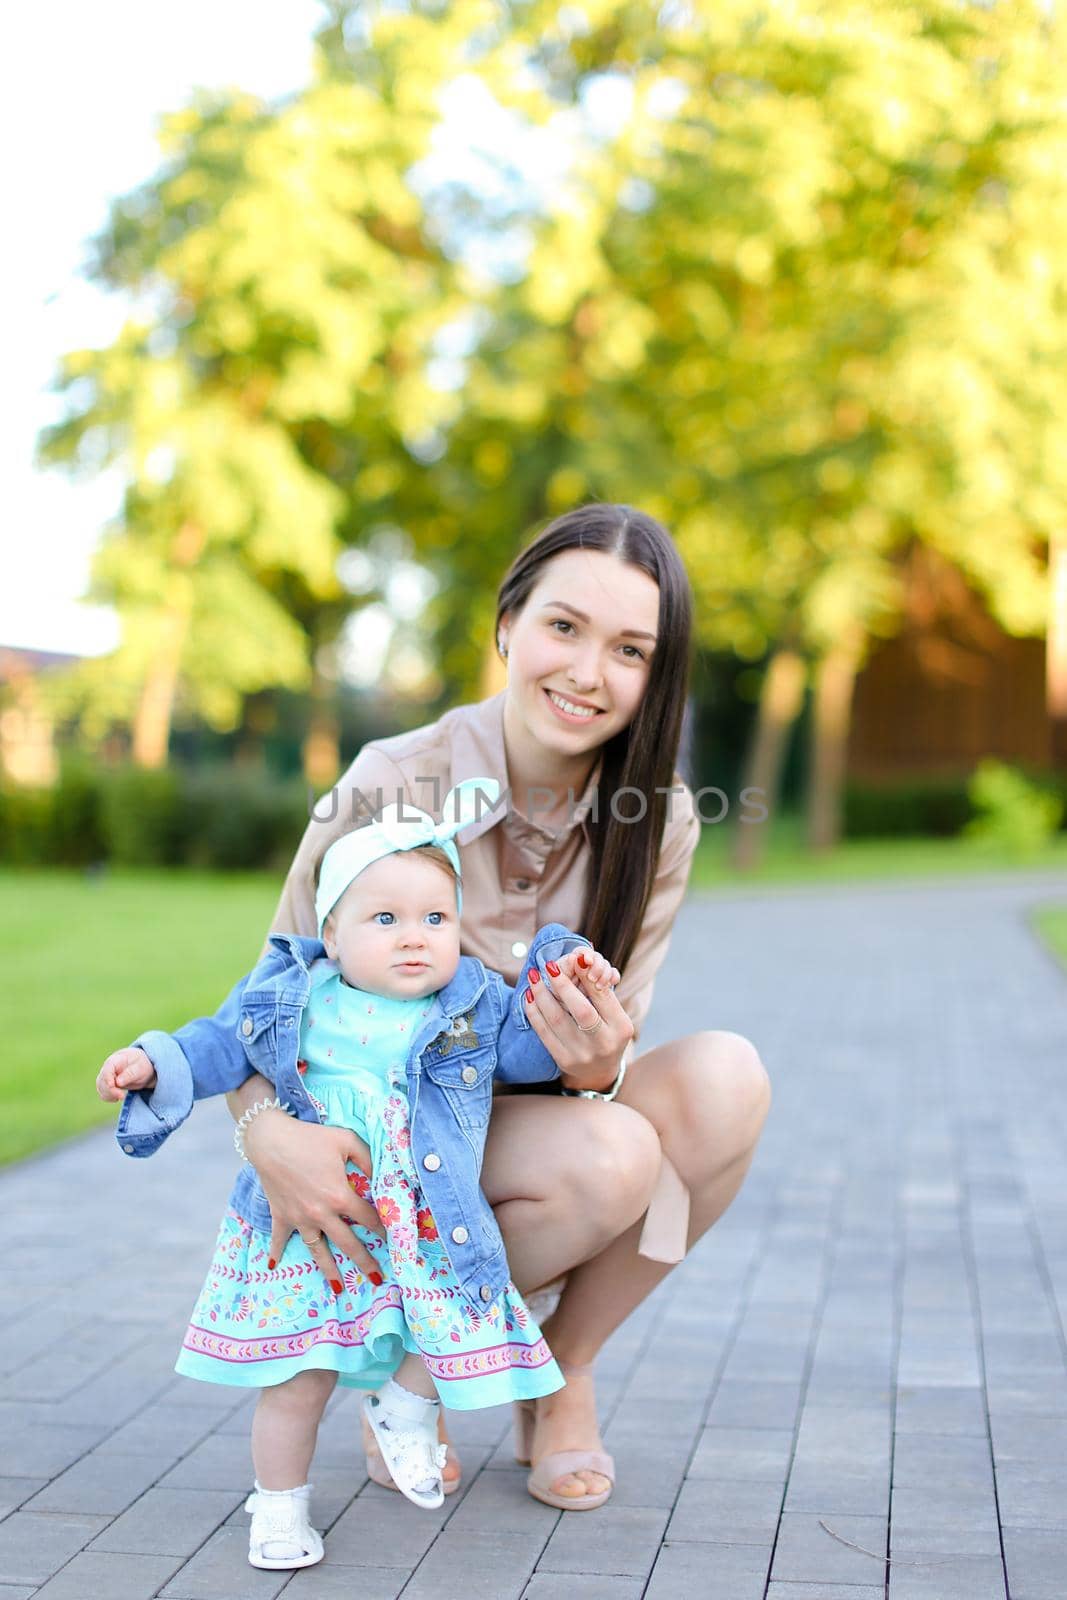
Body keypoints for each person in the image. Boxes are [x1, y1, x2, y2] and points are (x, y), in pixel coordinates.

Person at [227, 502, 772, 1511]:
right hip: (375, 1147)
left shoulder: (658, 823)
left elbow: (602, 1074)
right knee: (610, 1159)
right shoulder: (391, 781)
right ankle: (407, 1360)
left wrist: (596, 1058)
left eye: (628, 649)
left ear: (656, 676)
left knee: (720, 1082)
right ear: (506, 626)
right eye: (562, 627)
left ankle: (555, 1369)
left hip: (514, 1129)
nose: (586, 671)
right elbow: (262, 1001)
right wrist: (266, 1133)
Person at [96, 777, 620, 1569]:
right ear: (332, 935)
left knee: (448, 1321)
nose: (415, 938)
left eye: (435, 919)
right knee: (299, 1380)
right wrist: (151, 1060)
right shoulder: (291, 993)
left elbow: (529, 1050)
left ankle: (405, 1406)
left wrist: (563, 971)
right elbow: (217, 1042)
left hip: (424, 1221)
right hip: (311, 1227)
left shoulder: (473, 1003)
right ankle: (277, 1507)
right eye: (385, 920)